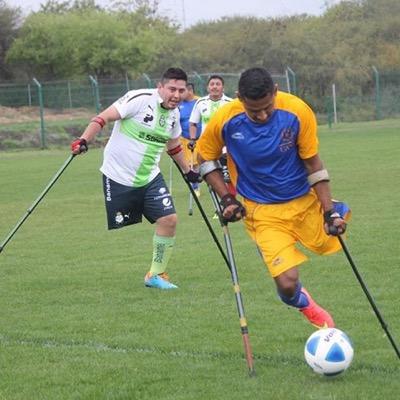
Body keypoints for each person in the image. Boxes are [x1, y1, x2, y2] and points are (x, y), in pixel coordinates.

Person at [196, 67, 350, 329]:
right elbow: (204, 159)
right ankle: (304, 303)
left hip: (304, 202)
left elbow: (314, 164)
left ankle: (335, 207)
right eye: (254, 110)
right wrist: (227, 198)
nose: (262, 114)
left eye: (268, 107)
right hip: (262, 212)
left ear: (276, 92)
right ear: (239, 98)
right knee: (287, 283)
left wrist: (328, 212)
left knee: (330, 239)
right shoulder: (226, 118)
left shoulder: (297, 112)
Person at [71, 67, 200, 290]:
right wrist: (84, 140)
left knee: (169, 220)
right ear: (160, 87)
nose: (176, 95)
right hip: (118, 175)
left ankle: (155, 274)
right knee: (118, 227)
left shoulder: (175, 114)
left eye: (181, 90)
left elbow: (173, 145)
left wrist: (188, 171)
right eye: (172, 89)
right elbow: (103, 118)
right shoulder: (138, 98)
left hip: (150, 176)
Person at [189, 75, 234, 203]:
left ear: (222, 87)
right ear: (208, 87)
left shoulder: (230, 103)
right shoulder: (200, 102)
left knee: (228, 176)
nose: (215, 86)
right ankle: (219, 206)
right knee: (212, 176)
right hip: (207, 148)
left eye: (218, 84)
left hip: (226, 147)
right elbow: (193, 123)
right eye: (212, 84)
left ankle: (231, 203)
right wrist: (192, 139)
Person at [179, 82, 202, 196]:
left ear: (190, 90)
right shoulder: (179, 104)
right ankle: (194, 185)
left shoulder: (200, 102)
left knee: (197, 163)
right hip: (184, 138)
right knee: (188, 164)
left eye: (183, 91)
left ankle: (197, 186)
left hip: (200, 138)